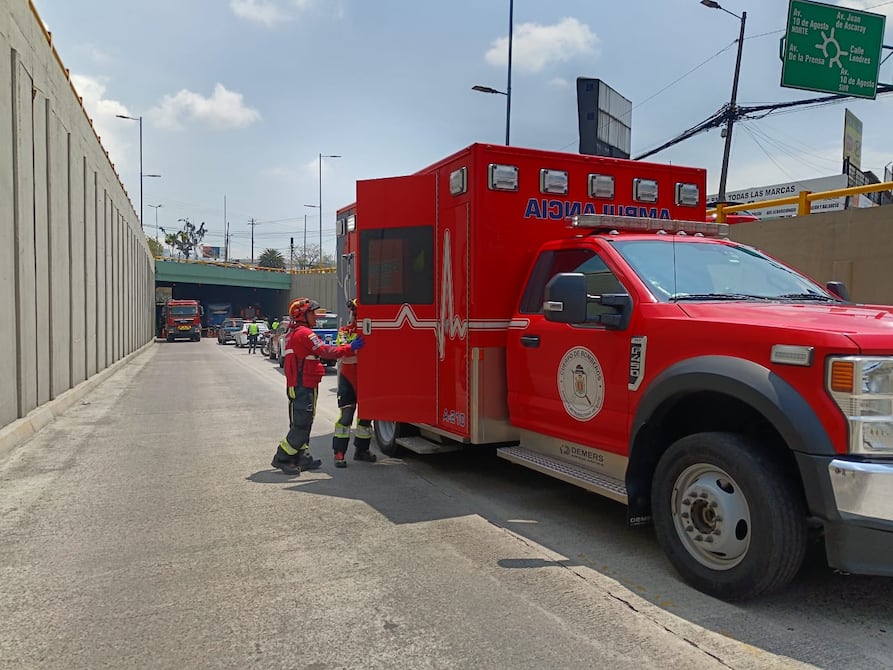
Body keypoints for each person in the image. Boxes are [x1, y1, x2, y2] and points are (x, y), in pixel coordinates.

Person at [270, 297, 365, 475]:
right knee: (301, 423)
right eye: (312, 313)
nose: (316, 317)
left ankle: (302, 457)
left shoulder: (299, 332)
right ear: (303, 315)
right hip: (302, 385)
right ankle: (282, 457)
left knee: (306, 420)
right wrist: (350, 347)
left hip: (305, 383)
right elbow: (326, 352)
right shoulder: (305, 333)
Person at [331, 299, 376, 468]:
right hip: (348, 378)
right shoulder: (344, 330)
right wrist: (353, 347)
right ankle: (339, 453)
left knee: (366, 417)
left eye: (357, 313)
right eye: (354, 313)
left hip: (367, 377)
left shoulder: (371, 329)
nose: (355, 316)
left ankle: (361, 451)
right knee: (347, 417)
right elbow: (342, 350)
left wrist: (353, 348)